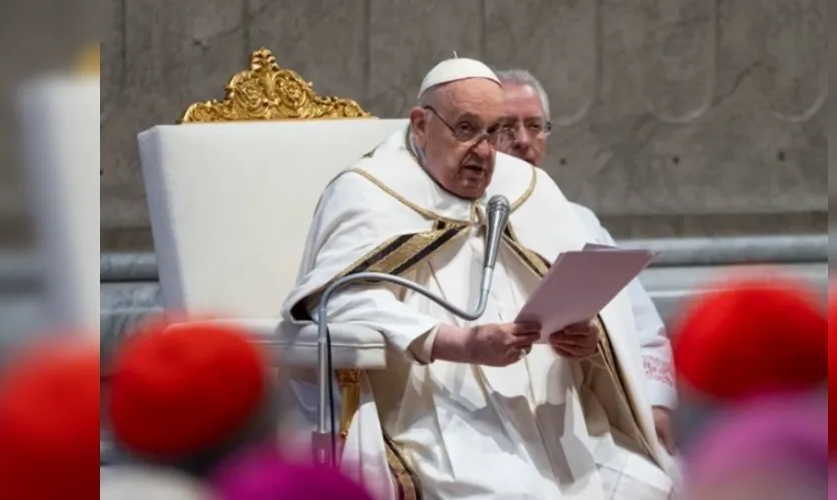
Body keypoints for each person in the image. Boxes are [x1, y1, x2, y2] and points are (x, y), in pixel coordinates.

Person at [282, 57, 677, 500]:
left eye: (494, 131)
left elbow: (595, 314)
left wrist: (583, 344)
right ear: (420, 125)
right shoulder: (368, 192)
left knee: (653, 486)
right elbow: (338, 301)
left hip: (553, 423)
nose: (486, 151)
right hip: (436, 418)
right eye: (466, 129)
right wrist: (458, 343)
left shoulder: (528, 189)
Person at [493, 68, 678, 452]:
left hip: (585, 411)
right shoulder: (454, 223)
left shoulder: (580, 221)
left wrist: (655, 403)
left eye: (535, 126)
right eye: (506, 127)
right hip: (495, 418)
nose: (524, 140)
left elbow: (642, 329)